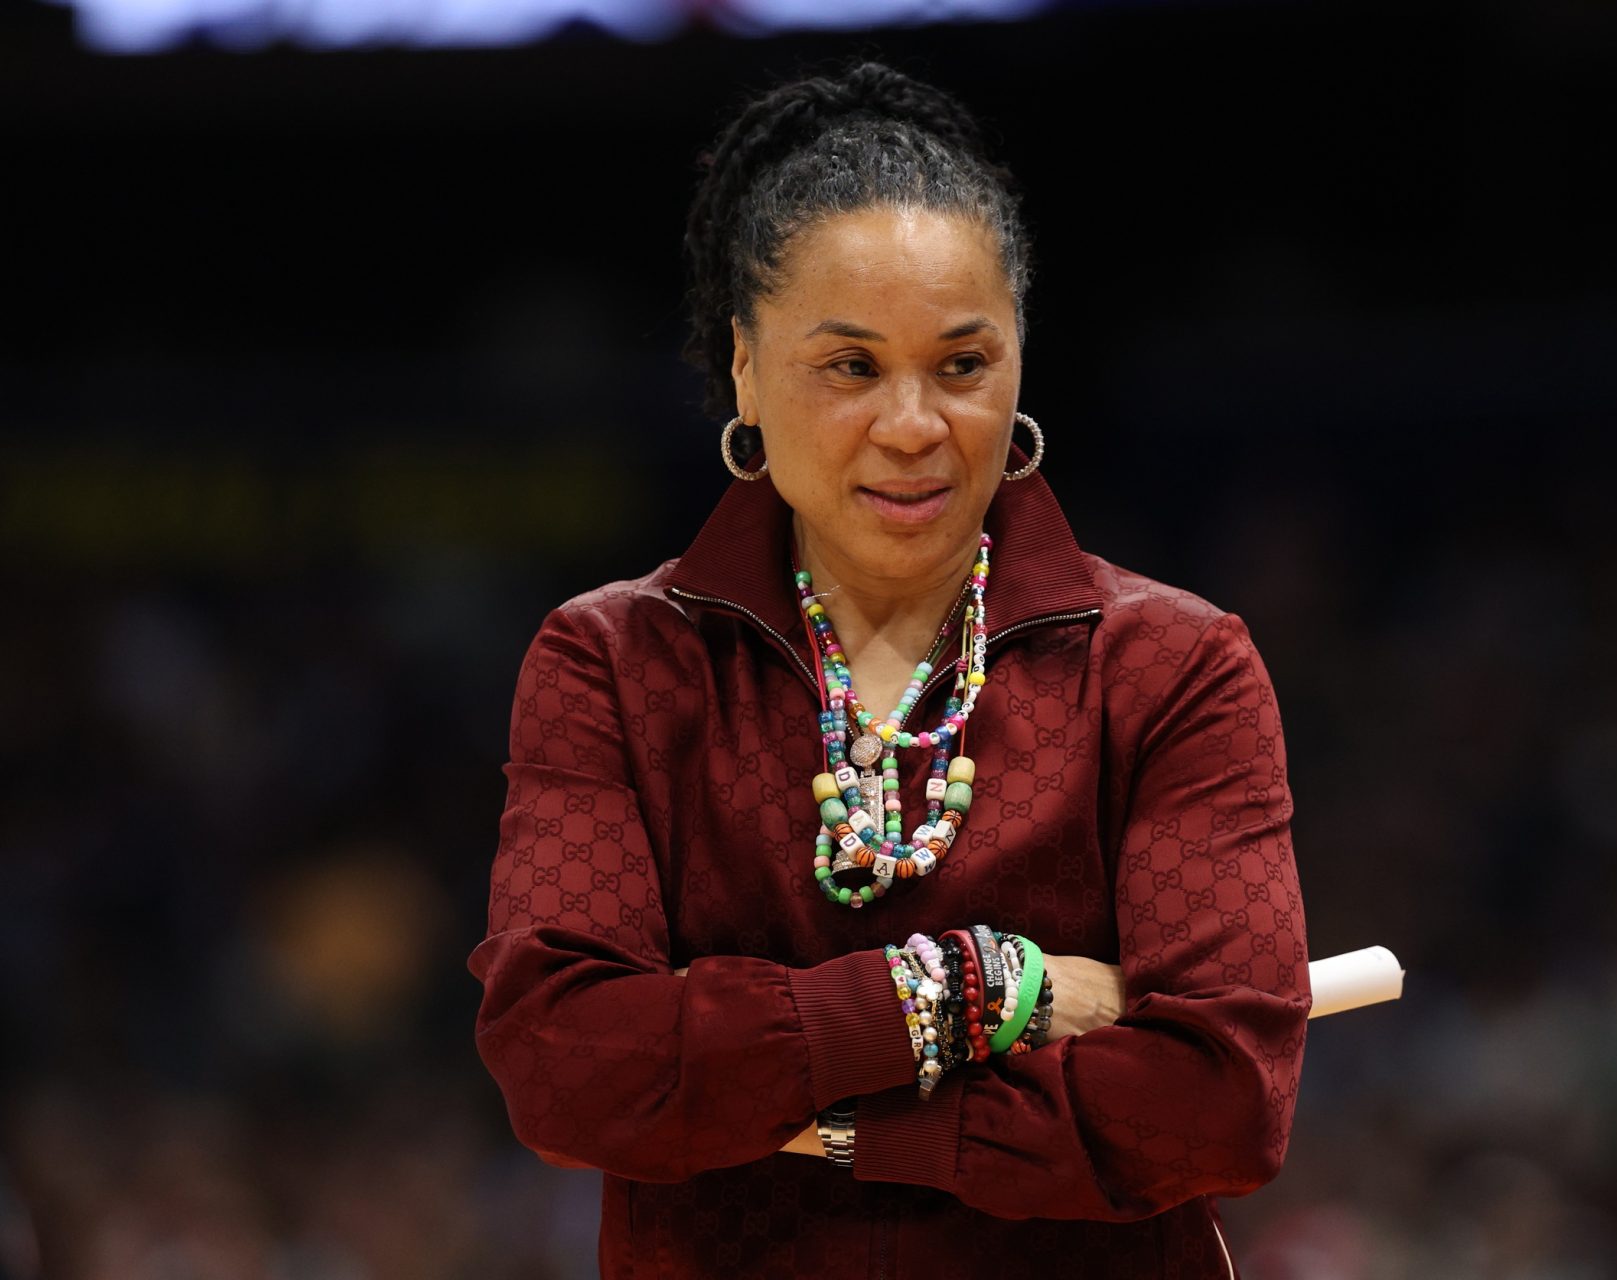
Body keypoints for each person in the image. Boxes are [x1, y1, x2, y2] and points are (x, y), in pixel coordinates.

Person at [467, 56, 1310, 1280]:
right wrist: (974, 989)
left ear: (1020, 359)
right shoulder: (615, 662)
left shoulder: (1173, 665)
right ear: (746, 368)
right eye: (851, 367)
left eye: (961, 365)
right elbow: (569, 1068)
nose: (914, 424)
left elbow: (1221, 1101)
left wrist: (843, 1116)